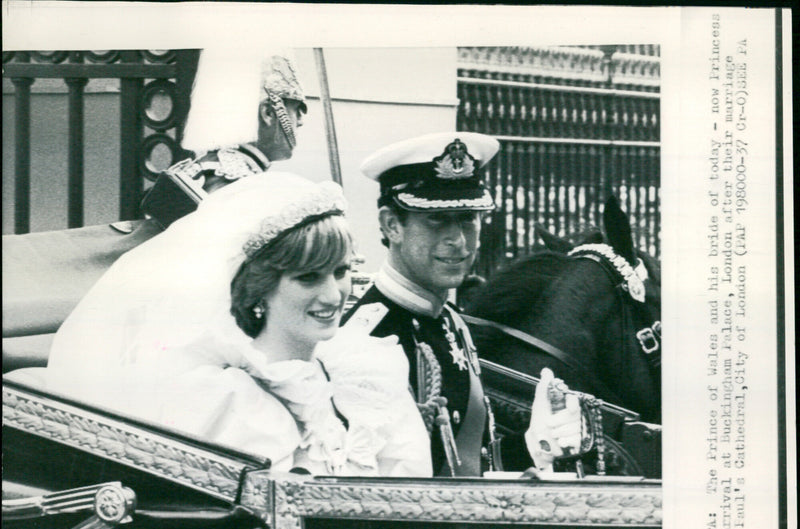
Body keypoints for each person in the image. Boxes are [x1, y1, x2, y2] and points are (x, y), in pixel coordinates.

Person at [45, 172, 432, 477]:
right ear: (260, 289)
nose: (334, 295)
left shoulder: (366, 379)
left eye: (341, 271)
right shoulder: (217, 401)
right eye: (309, 278)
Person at [342, 132, 583, 477]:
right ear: (392, 225)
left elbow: (469, 466)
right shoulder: (366, 339)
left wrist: (534, 445)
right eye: (437, 220)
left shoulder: (451, 321)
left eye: (468, 218)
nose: (458, 240)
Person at [140, 48, 307, 228]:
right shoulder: (238, 181)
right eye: (297, 110)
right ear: (268, 113)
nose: (300, 121)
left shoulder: (211, 164)